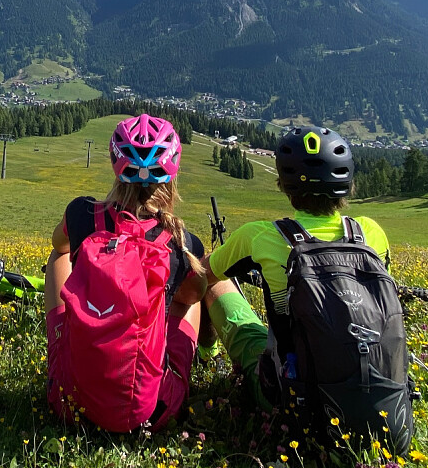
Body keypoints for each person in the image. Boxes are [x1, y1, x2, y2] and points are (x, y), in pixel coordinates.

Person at [201, 125, 392, 414]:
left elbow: (202, 276)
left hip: (289, 398)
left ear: (284, 184)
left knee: (214, 284)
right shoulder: (370, 233)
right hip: (378, 401)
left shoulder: (261, 236)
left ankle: (206, 354)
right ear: (347, 184)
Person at [44, 113, 206, 432]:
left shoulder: (81, 213)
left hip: (69, 403)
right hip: (152, 413)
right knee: (191, 297)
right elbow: (191, 297)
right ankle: (190, 365)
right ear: (172, 173)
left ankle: (68, 346)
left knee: (57, 256)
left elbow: (59, 244)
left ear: (116, 167)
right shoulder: (182, 244)